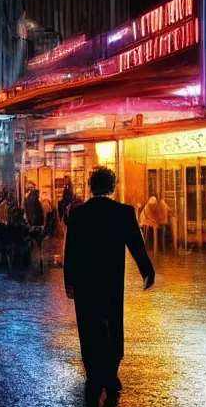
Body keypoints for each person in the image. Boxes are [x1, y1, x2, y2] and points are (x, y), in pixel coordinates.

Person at [64, 167, 155, 395]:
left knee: (88, 326)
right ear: (112, 187)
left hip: (85, 280)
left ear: (90, 186)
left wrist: (69, 280)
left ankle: (93, 375)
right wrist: (147, 271)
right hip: (111, 279)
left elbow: (71, 250)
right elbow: (136, 245)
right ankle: (111, 374)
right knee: (113, 323)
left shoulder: (78, 214)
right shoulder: (123, 213)